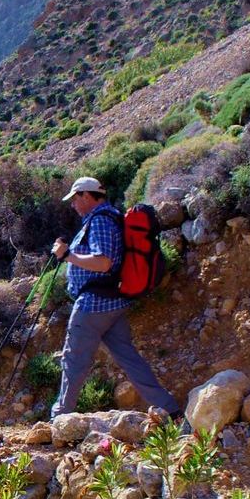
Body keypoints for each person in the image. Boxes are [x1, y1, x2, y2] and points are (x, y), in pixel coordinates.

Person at [50, 177, 181, 420]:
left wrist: (68, 255)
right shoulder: (109, 217)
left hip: (93, 305)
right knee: (128, 358)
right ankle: (169, 409)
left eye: (74, 199)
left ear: (86, 196)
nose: (72, 205)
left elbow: (104, 262)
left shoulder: (100, 221)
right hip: (112, 303)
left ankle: (59, 418)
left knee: (73, 360)